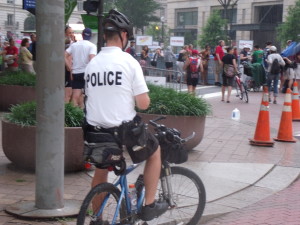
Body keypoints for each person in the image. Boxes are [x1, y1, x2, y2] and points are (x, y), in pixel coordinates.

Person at [83, 9, 168, 223]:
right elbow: (143, 103)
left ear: (105, 36)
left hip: (95, 131)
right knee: (155, 151)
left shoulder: (92, 64)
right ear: (123, 36)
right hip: (123, 131)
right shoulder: (128, 62)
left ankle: (98, 218)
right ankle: (149, 205)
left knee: (101, 169)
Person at [65, 27, 97, 108]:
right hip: (87, 73)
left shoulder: (74, 45)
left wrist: (70, 68)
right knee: (89, 95)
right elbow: (92, 59)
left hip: (75, 73)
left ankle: (72, 115)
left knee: (75, 96)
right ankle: (86, 114)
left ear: (82, 35)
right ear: (90, 36)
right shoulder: (92, 46)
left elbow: (64, 55)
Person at [65, 26, 75, 103]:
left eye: (72, 32)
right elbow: (66, 58)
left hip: (72, 69)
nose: (71, 34)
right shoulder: (66, 44)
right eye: (70, 33)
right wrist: (70, 69)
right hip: (67, 71)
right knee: (68, 94)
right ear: (65, 34)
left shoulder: (74, 44)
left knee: (72, 93)